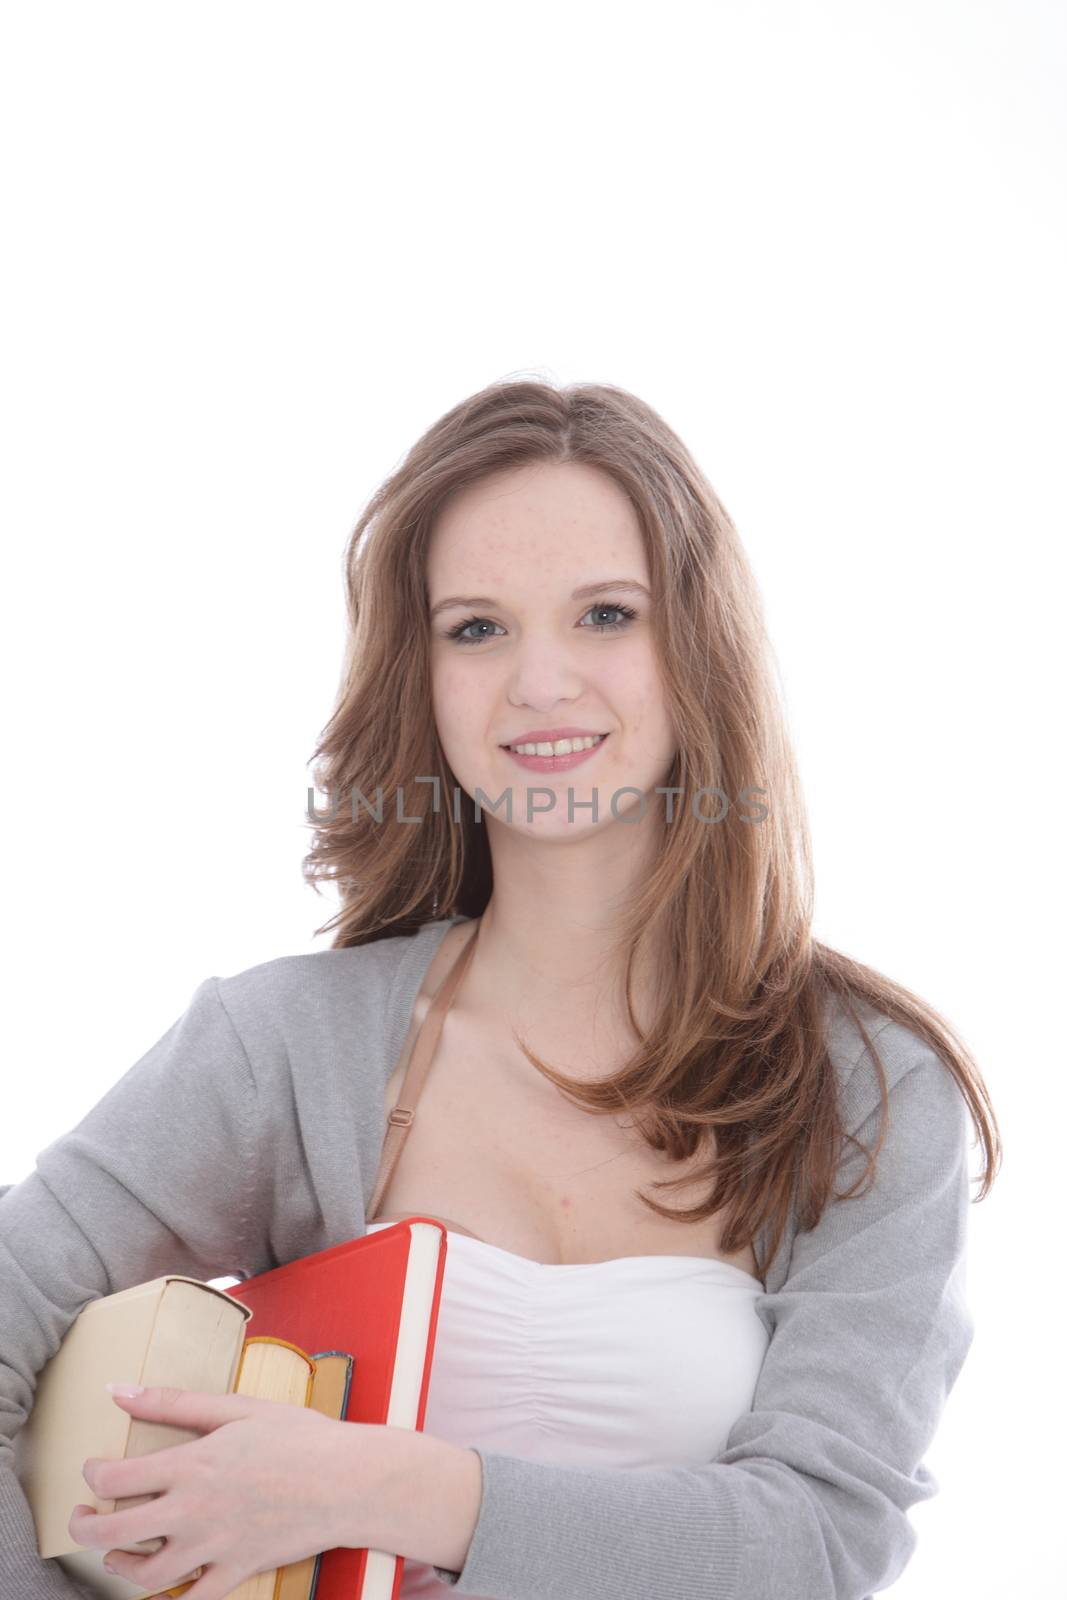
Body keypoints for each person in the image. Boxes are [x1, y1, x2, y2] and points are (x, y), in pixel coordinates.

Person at [1, 378, 1001, 1600]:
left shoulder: (868, 1088)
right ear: (417, 674)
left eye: (604, 615)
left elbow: (817, 1545)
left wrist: (371, 1485)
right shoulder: (283, 1048)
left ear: (698, 644)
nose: (539, 682)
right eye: (476, 627)